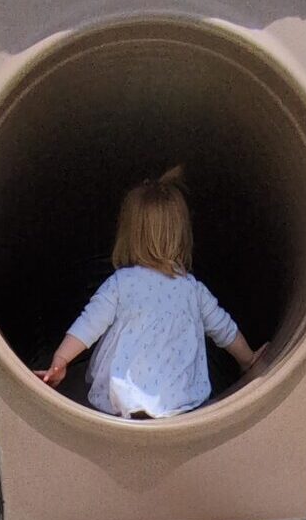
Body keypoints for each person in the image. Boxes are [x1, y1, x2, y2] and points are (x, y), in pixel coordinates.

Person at [35, 166, 265, 418]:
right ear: (182, 236)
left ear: (129, 235)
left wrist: (61, 359)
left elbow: (89, 324)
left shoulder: (121, 283)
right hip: (179, 399)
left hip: (122, 397)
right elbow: (225, 330)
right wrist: (248, 360)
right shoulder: (193, 289)